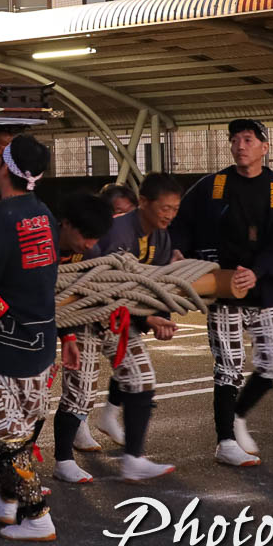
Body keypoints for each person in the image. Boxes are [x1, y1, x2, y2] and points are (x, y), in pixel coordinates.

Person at [174, 119, 273, 468]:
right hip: (222, 285)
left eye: (248, 139)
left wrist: (256, 271)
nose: (240, 146)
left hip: (262, 286)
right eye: (234, 140)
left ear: (264, 147)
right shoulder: (213, 185)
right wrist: (178, 249)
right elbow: (181, 221)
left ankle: (238, 415)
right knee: (228, 366)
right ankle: (225, 441)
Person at [0, 135, 61, 541]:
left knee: (5, 436)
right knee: (23, 423)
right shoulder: (45, 213)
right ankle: (6, 501)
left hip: (6, 340)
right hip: (42, 337)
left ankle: (37, 516)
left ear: (3, 168)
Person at [86, 172, 180, 480]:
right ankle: (61, 459)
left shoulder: (162, 237)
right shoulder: (117, 231)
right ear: (143, 202)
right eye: (164, 208)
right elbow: (107, 287)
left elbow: (157, 284)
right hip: (91, 315)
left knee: (141, 379)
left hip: (124, 318)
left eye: (174, 209)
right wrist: (146, 319)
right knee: (79, 393)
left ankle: (133, 459)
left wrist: (162, 317)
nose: (169, 215)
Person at [49, 191, 113, 484]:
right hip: (27, 320)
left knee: (81, 388)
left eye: (94, 237)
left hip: (68, 318)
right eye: (85, 235)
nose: (89, 243)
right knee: (26, 400)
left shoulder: (90, 252)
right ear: (65, 224)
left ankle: (63, 459)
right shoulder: (41, 243)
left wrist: (69, 338)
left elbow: (82, 295)